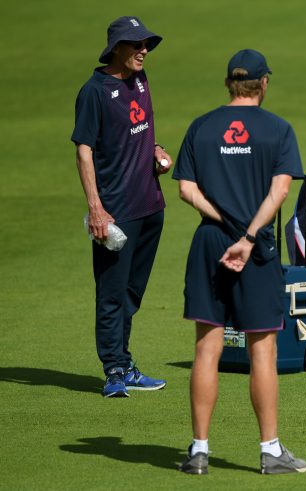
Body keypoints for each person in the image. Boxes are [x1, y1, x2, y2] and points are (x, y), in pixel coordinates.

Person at [173, 49, 306, 475]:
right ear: (263, 83)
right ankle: (270, 452)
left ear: (230, 83)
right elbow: (280, 192)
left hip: (209, 242)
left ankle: (198, 451)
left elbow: (186, 191)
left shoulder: (201, 127)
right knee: (263, 351)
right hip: (256, 247)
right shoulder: (278, 130)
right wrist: (247, 236)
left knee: (206, 350)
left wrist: (224, 222)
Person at [72, 16, 172, 398]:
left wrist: (157, 150)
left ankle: (125, 364)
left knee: (132, 292)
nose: (143, 50)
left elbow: (141, 130)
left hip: (151, 205)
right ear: (117, 48)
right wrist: (96, 209)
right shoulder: (94, 92)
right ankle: (114, 369)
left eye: (146, 44)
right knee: (112, 293)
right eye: (136, 44)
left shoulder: (141, 81)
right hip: (117, 212)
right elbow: (84, 151)